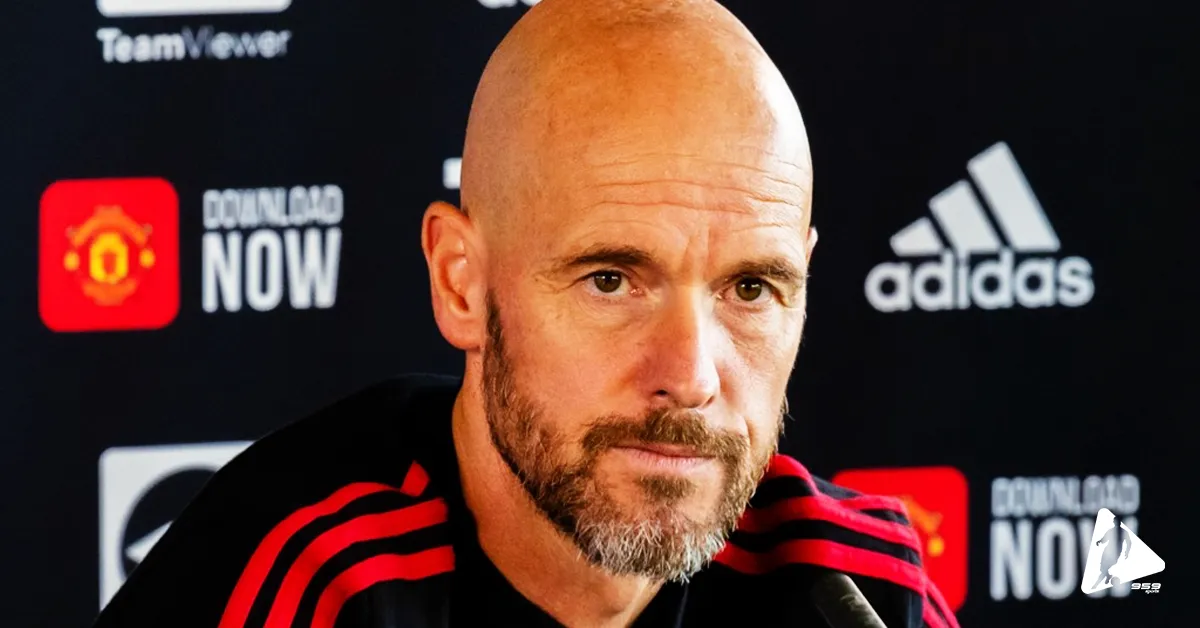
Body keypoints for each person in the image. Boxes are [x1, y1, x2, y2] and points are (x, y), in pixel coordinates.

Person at [94, 0, 959, 626]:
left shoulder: (855, 590)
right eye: (612, 280)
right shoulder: (309, 581)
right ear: (461, 284)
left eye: (751, 290)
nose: (692, 377)